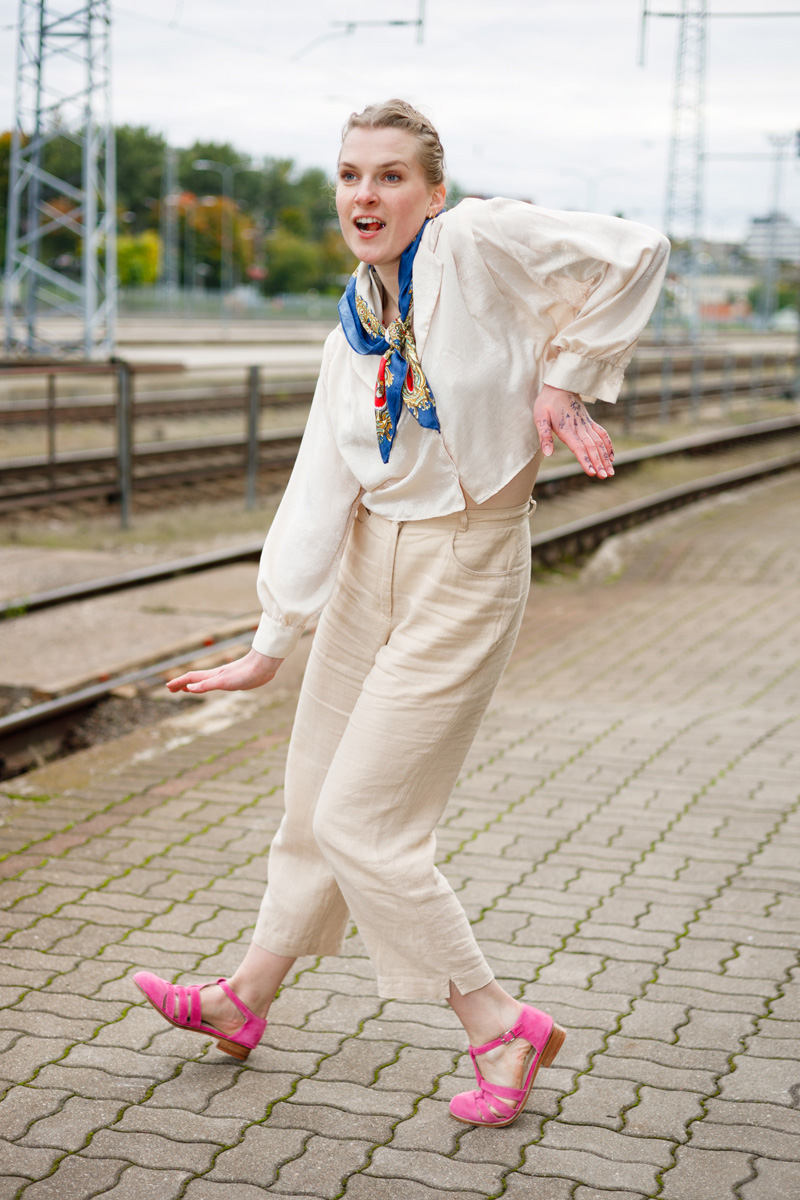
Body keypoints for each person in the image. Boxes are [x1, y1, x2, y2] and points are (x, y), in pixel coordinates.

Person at [133, 99, 669, 1128]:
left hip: (464, 564)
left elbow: (636, 249)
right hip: (369, 559)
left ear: (428, 190)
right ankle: (244, 997)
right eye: (348, 176)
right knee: (311, 798)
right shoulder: (359, 317)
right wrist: (269, 640)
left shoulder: (472, 243)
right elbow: (321, 478)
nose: (363, 196)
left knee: (362, 824)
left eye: (387, 176)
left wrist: (562, 382)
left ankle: (496, 1021)